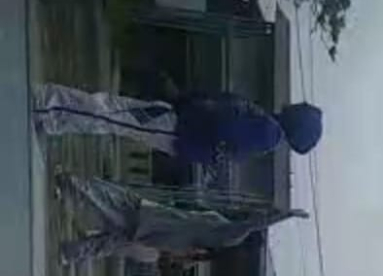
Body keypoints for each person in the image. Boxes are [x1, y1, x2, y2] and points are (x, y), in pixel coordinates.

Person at [53, 172, 308, 264]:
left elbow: (253, 224)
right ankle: (69, 253)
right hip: (157, 231)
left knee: (108, 200)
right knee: (110, 241)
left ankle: (68, 184)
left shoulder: (230, 233)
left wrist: (286, 215)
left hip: (153, 221)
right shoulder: (222, 235)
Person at [34, 83, 323, 164]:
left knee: (109, 113)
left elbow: (222, 125)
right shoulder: (268, 130)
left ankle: (45, 105)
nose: (296, 104)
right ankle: (52, 117)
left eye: (302, 109)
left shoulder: (268, 132)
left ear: (297, 122)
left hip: (180, 129)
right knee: (113, 113)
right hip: (181, 126)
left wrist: (192, 104)